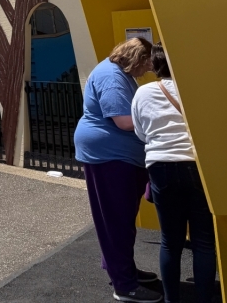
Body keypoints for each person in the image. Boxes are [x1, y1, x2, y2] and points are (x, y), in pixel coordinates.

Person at [73, 38, 161, 303]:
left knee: (119, 218)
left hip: (112, 154)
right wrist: (161, 116)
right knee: (117, 220)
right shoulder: (112, 77)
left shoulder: (113, 72)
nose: (146, 71)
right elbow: (123, 121)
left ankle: (121, 270)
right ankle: (125, 285)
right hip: (109, 155)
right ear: (138, 58)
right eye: (146, 64)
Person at [131, 44, 216, 303]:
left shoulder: (143, 92)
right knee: (203, 241)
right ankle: (203, 298)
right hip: (196, 165)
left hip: (160, 166)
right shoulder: (197, 89)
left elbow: (141, 132)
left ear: (155, 65)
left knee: (170, 241)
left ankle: (171, 299)